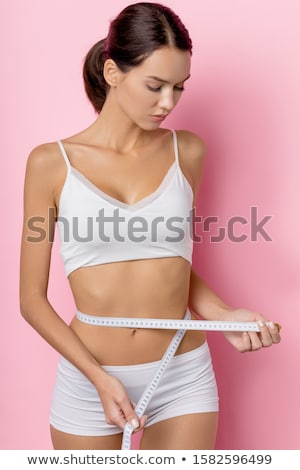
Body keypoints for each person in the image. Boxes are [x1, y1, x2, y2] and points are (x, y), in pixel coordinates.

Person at [19, 2, 281, 450]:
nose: (168, 103)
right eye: (155, 86)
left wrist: (223, 316)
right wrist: (99, 378)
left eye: (179, 88)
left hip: (182, 373)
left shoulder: (188, 152)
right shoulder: (51, 163)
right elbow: (31, 301)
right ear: (113, 72)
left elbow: (171, 261)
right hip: (89, 376)